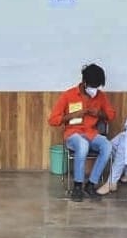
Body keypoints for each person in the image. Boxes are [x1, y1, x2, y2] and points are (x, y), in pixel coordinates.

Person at [49, 63, 117, 201]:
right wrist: (73, 115)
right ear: (84, 82)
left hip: (91, 133)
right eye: (92, 86)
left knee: (107, 146)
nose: (94, 89)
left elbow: (111, 115)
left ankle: (90, 184)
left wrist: (99, 113)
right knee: (82, 144)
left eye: (97, 86)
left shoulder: (100, 96)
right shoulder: (68, 95)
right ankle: (78, 187)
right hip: (73, 134)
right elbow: (53, 120)